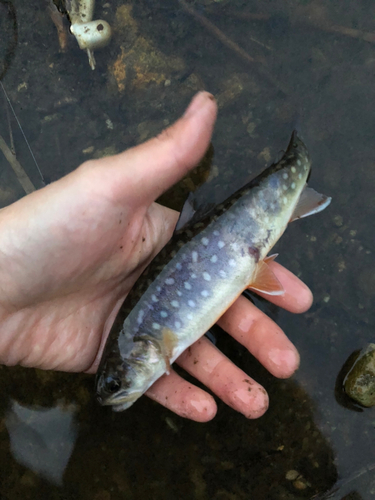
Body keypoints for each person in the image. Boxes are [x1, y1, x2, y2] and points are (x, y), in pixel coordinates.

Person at [0, 92, 312, 421]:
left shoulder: (152, 336)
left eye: (116, 383)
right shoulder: (142, 336)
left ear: (143, 351)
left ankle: (304, 140)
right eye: (115, 384)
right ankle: (302, 147)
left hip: (242, 235)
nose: (115, 391)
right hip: (240, 241)